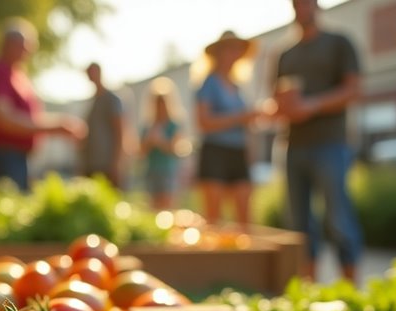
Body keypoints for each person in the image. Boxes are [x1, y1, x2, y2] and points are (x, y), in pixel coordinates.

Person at [271, 0, 363, 282]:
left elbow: (353, 90)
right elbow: (276, 97)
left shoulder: (339, 43)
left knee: (338, 219)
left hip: (330, 143)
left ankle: (351, 290)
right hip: (293, 145)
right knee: (298, 224)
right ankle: (308, 291)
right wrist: (283, 108)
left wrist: (311, 106)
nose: (302, 8)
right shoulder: (285, 54)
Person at [0, 17, 85, 191]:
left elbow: (29, 117)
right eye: (25, 47)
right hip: (6, 156)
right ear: (10, 44)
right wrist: (55, 126)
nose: (28, 53)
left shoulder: (18, 75)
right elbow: (3, 118)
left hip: (20, 157)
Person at [194, 30, 261, 231]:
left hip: (238, 152)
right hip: (215, 151)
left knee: (245, 219)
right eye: (229, 49)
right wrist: (239, 118)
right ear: (218, 53)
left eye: (236, 50)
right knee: (214, 219)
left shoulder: (237, 87)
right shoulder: (209, 83)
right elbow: (204, 121)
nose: (233, 54)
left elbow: (246, 125)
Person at [139, 76, 187, 210]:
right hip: (151, 170)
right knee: (152, 207)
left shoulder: (173, 125)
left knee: (168, 206)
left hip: (168, 171)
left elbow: (176, 149)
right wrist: (149, 142)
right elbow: (141, 152)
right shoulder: (148, 126)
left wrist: (160, 142)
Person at [80, 62, 127, 188]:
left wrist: (116, 163)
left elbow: (119, 131)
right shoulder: (92, 101)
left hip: (106, 163)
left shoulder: (111, 100)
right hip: (91, 162)